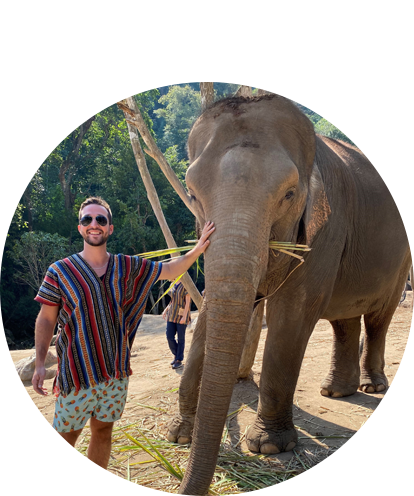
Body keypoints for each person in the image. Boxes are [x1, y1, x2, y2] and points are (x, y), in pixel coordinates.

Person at [31, 197, 214, 496]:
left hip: (114, 371)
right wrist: (40, 363)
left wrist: (199, 248)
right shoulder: (60, 271)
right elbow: (46, 319)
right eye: (88, 219)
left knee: (103, 432)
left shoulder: (127, 267)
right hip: (76, 372)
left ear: (110, 228)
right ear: (80, 227)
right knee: (67, 436)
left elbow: (170, 270)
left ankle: (96, 493)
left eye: (100, 220)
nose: (94, 225)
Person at [162, 281, 191, 369]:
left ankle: (178, 360)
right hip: (172, 314)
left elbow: (188, 301)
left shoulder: (186, 284)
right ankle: (176, 354)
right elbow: (172, 300)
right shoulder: (172, 284)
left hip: (182, 315)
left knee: (180, 338)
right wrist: (166, 309)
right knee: (169, 336)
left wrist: (184, 316)